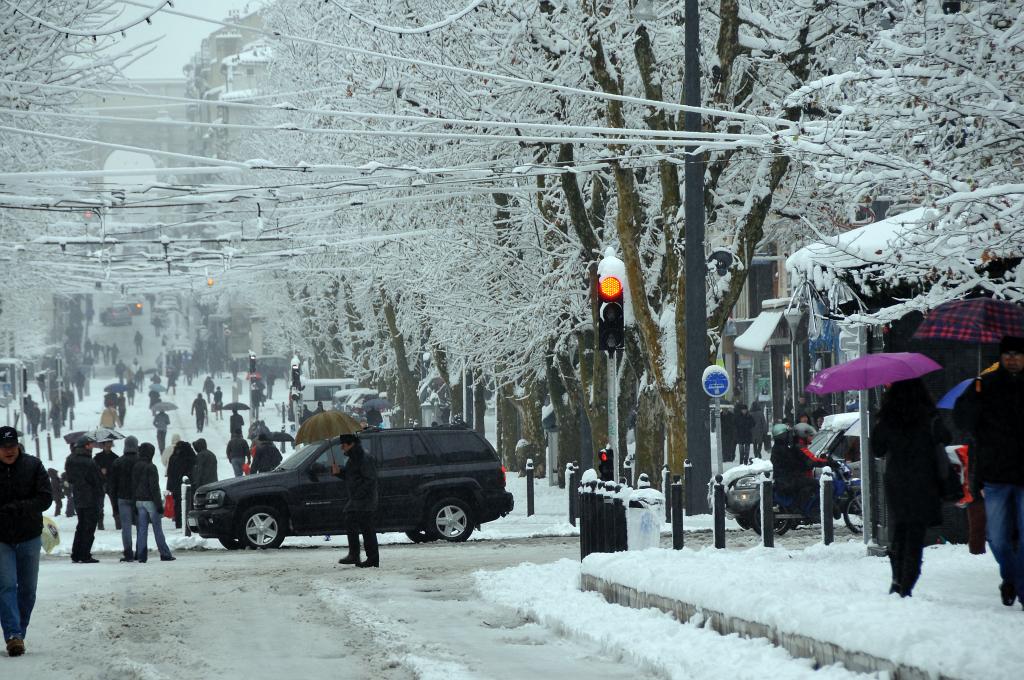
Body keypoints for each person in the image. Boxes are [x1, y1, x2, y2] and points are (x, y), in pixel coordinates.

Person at [954, 335, 1024, 608]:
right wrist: (974, 397)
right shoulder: (985, 385)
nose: (1012, 359)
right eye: (1008, 354)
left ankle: (1019, 585)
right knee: (997, 537)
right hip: (995, 475)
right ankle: (1011, 578)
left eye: (1017, 354)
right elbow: (963, 420)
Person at [873, 378, 950, 597]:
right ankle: (907, 582)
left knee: (900, 528)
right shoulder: (929, 414)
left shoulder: (889, 416)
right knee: (916, 533)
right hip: (925, 480)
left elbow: (878, 449)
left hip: (898, 480)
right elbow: (945, 437)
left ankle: (897, 578)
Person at [0, 427, 52, 657]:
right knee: (6, 585)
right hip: (2, 539)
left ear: (18, 445)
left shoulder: (33, 465)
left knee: (28, 590)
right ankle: (13, 635)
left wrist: (20, 507)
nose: (8, 451)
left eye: (11, 446)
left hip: (29, 536)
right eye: (3, 447)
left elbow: (46, 498)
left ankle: (19, 631)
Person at [331, 433, 379, 568]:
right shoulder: (353, 458)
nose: (341, 447)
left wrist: (359, 494)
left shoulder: (364, 458)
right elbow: (351, 476)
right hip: (357, 499)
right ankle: (355, 554)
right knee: (351, 521)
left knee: (367, 528)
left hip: (365, 500)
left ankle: (371, 558)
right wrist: (339, 472)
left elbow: (370, 480)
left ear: (351, 444)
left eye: (343, 445)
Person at [770, 423, 828, 517]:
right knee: (816, 483)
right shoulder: (785, 449)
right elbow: (795, 462)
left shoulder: (780, 448)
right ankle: (800, 507)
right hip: (788, 480)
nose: (790, 436)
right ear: (783, 436)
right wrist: (812, 463)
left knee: (808, 482)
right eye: (788, 434)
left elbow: (796, 462)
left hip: (785, 478)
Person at [132, 443, 174, 563]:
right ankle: (165, 553)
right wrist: (159, 505)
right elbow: (154, 488)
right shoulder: (151, 467)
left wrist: (134, 502)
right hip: (150, 501)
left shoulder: (136, 466)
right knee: (157, 528)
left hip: (139, 501)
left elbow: (133, 485)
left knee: (142, 530)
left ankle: (141, 555)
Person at [64, 439, 104, 564]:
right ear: (86, 446)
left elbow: (70, 478)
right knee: (89, 527)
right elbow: (97, 480)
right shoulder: (89, 462)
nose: (92, 446)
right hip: (90, 498)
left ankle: (76, 554)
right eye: (90, 444)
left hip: (78, 497)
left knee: (81, 526)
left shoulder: (70, 459)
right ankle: (85, 554)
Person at [110, 437, 139, 562]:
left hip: (122, 498)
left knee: (126, 527)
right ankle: (140, 551)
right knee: (140, 527)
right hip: (138, 498)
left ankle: (128, 553)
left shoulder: (118, 462)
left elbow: (113, 484)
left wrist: (114, 503)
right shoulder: (140, 461)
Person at [166, 440, 196, 530]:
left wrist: (169, 487)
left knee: (178, 505)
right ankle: (189, 523)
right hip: (188, 484)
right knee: (190, 504)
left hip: (176, 485)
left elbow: (170, 473)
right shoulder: (190, 457)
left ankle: (179, 523)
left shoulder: (173, 457)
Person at [92, 440, 120, 531]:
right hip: (100, 483)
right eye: (106, 444)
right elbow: (93, 470)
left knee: (115, 504)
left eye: (110, 444)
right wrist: (100, 471)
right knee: (100, 505)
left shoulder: (115, 457)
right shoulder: (97, 457)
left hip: (112, 483)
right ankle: (100, 524)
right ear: (103, 445)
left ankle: (118, 524)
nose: (108, 446)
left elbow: (118, 471)